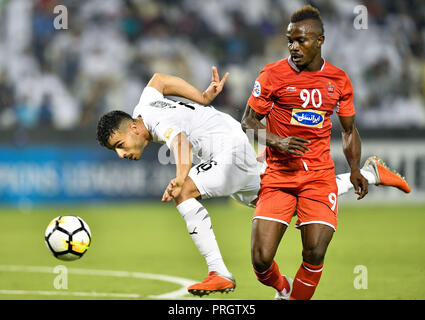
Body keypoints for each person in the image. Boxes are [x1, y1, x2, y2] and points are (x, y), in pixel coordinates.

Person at [96, 67, 410, 297]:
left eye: (120, 146)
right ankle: (371, 174)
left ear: (135, 129)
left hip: (228, 148)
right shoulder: (143, 107)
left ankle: (218, 272)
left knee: (186, 192)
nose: (122, 154)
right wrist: (202, 97)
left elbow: (180, 142)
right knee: (274, 196)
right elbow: (158, 80)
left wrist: (180, 178)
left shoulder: (154, 119)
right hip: (228, 144)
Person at [240, 5, 405, 300]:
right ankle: (283, 288)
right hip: (279, 175)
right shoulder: (272, 75)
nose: (293, 47)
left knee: (314, 250)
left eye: (301, 40)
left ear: (319, 41)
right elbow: (248, 122)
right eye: (290, 40)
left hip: (318, 177)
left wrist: (354, 168)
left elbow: (349, 130)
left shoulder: (339, 80)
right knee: (261, 259)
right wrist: (278, 142)